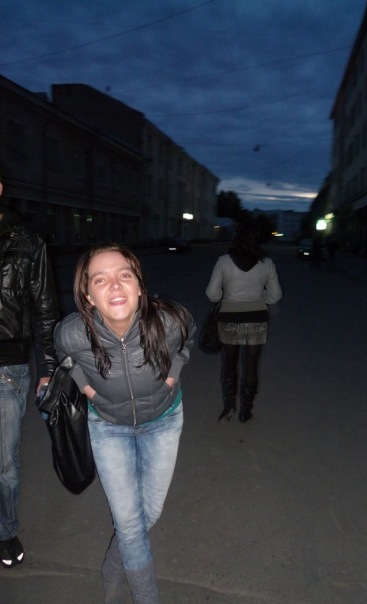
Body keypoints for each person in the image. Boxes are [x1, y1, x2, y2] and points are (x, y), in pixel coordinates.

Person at [53, 243, 195, 604]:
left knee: (147, 516)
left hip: (163, 421)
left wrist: (171, 377)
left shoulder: (169, 321)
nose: (115, 285)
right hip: (108, 427)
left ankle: (112, 568)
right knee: (130, 525)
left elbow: (188, 337)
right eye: (100, 279)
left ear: (140, 286)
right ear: (88, 297)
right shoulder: (72, 333)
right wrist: (88, 390)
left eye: (124, 275)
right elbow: (65, 357)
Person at [0, 172, 59, 568]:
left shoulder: (27, 241)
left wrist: (49, 367)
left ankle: (5, 530)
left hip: (6, 367)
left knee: (3, 462)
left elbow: (45, 308)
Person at [205, 219, 282, 423]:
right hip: (257, 318)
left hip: (230, 318)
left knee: (229, 363)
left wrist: (226, 298)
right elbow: (275, 295)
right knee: (251, 365)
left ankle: (229, 406)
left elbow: (212, 294)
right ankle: (246, 410)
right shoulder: (267, 263)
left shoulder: (224, 261)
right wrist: (259, 299)